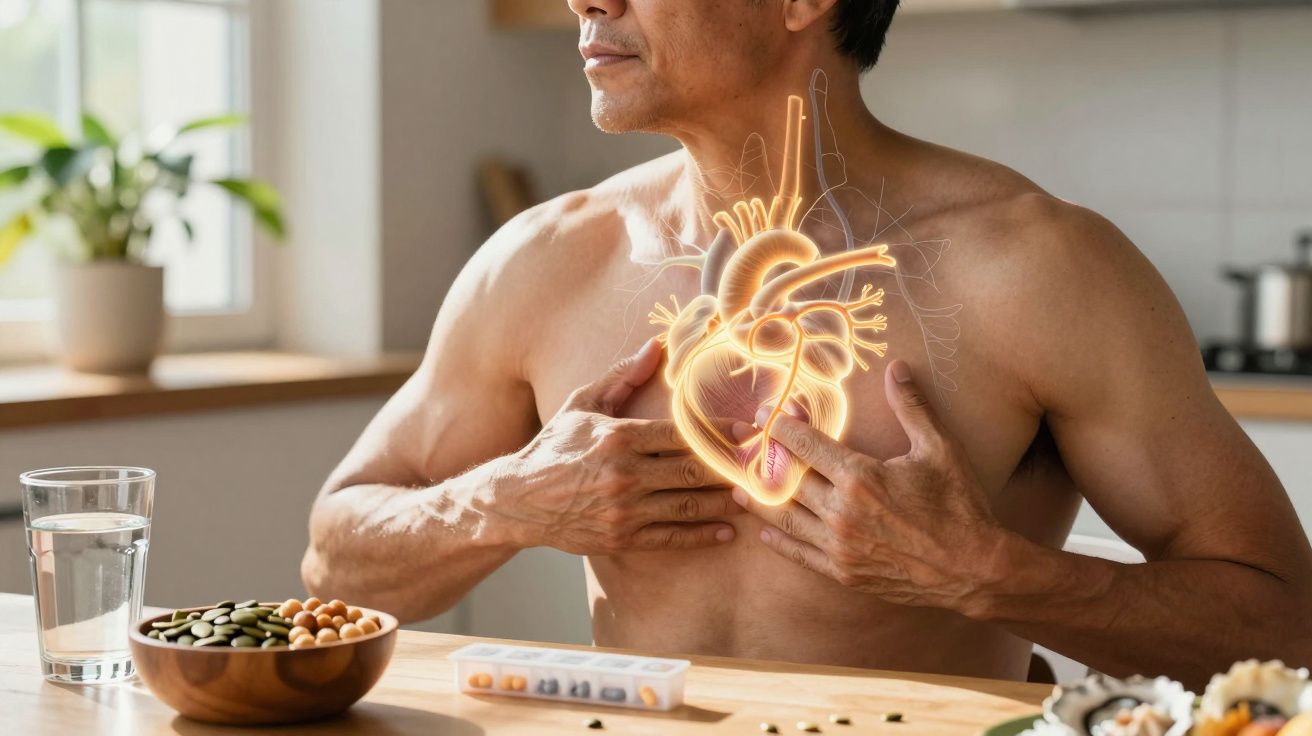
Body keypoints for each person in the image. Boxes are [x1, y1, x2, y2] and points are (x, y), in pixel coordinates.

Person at [302, 0, 1312, 685]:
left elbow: (1284, 626)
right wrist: (502, 502)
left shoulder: (1035, 268)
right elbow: (334, 564)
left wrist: (986, 573)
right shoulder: (543, 261)